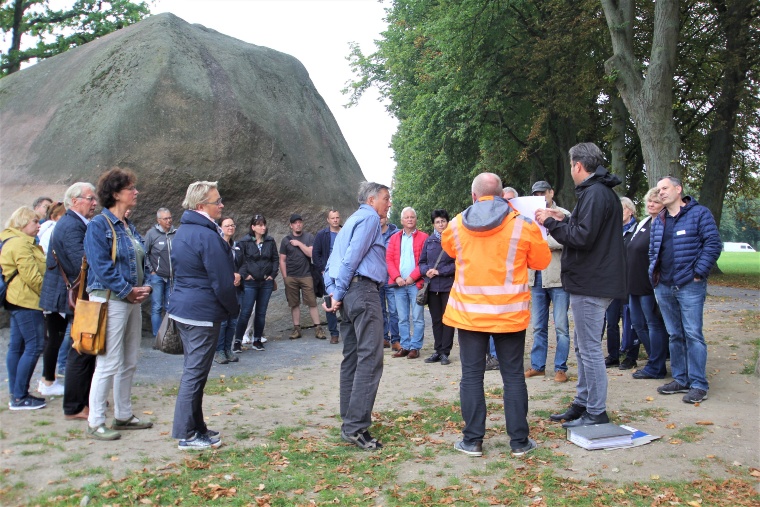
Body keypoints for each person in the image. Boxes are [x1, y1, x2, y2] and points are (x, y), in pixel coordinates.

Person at [443, 173, 551, 457]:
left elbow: (449, 249)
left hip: (469, 315)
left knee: (471, 376)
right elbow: (541, 261)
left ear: (474, 196)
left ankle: (472, 441)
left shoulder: (455, 225)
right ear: (504, 196)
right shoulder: (522, 225)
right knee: (513, 376)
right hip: (509, 314)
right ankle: (519, 442)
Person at [535, 142, 626, 428]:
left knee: (588, 349)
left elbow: (583, 238)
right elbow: (587, 228)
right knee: (582, 346)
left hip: (592, 282)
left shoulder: (596, 193)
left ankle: (596, 411)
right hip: (591, 279)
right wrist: (565, 218)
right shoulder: (598, 192)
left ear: (577, 165)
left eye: (570, 165)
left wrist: (550, 224)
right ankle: (583, 402)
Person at [83, 168, 153, 440]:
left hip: (129, 299)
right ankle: (96, 420)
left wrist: (144, 284)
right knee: (108, 361)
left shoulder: (127, 225)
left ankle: (123, 415)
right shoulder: (99, 225)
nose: (135, 192)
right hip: (110, 299)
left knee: (129, 359)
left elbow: (138, 260)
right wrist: (127, 290)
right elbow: (100, 266)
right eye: (130, 188)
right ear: (114, 194)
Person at [169, 181, 239, 450]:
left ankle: (196, 428)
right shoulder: (207, 235)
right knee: (194, 374)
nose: (221, 205)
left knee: (194, 372)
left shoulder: (185, 231)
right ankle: (186, 434)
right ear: (201, 206)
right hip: (201, 311)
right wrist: (233, 309)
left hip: (186, 309)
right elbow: (221, 281)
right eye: (217, 201)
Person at [323, 181, 391, 450]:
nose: (389, 203)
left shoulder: (349, 222)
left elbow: (330, 265)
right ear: (372, 199)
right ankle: (356, 427)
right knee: (370, 358)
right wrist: (338, 293)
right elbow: (352, 257)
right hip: (362, 291)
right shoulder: (370, 218)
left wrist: (335, 292)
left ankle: (349, 421)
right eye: (386, 198)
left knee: (351, 357)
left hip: (350, 294)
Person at [649, 175, 721, 404]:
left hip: (690, 285)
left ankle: (699, 384)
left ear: (678, 189)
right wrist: (654, 276)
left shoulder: (699, 214)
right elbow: (653, 251)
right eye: (659, 189)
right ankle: (680, 379)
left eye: (665, 188)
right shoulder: (659, 219)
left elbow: (713, 244)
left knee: (693, 334)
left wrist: (698, 272)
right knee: (675, 334)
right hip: (664, 286)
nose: (661, 193)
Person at [39, 182, 99, 420]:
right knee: (80, 349)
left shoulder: (74, 223)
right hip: (75, 296)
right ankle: (75, 406)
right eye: (90, 198)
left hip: (74, 295)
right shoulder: (71, 225)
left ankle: (82, 401)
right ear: (74, 201)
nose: (94, 203)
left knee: (82, 348)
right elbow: (80, 264)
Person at [524, 181, 571, 383]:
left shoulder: (564, 214)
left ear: (552, 192)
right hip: (536, 277)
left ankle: (560, 368)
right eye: (536, 193)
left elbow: (566, 239)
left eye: (543, 192)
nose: (541, 196)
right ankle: (538, 366)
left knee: (561, 326)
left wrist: (542, 244)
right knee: (538, 326)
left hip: (558, 277)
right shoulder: (528, 216)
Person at [1, 206, 47, 410]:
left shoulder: (12, 240)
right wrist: (48, 295)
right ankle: (19, 396)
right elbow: (32, 276)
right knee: (35, 345)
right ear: (22, 223)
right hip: (27, 300)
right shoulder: (20, 243)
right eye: (35, 222)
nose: (38, 225)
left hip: (17, 299)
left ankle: (16, 393)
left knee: (17, 346)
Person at [628, 188, 668, 380]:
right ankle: (655, 358)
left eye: (656, 202)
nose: (651, 204)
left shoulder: (663, 223)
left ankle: (657, 364)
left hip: (648, 282)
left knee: (653, 323)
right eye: (649, 201)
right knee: (637, 323)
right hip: (633, 280)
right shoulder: (644, 222)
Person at [603, 197, 639, 369]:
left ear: (630, 211)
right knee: (611, 321)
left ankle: (631, 355)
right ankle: (613, 355)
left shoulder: (637, 230)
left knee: (629, 320)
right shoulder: (612, 230)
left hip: (631, 281)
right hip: (613, 282)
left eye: (622, 209)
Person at [233, 214, 278, 353]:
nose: (263, 227)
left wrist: (272, 275)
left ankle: (257, 339)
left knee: (261, 312)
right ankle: (237, 341)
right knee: (246, 312)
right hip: (251, 283)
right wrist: (245, 275)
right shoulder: (244, 242)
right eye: (259, 225)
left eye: (264, 224)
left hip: (266, 282)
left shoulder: (270, 241)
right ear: (253, 227)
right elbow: (240, 261)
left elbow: (275, 259)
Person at [388, 207, 428, 359]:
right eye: (407, 217)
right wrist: (397, 277)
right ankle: (405, 345)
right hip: (398, 285)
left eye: (412, 217)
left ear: (416, 220)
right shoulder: (394, 238)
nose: (410, 219)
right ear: (401, 220)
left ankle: (415, 347)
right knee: (402, 317)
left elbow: (425, 261)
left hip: (415, 284)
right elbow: (389, 259)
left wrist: (413, 276)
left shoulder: (424, 237)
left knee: (418, 317)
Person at [280, 214, 325, 340]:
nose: (298, 224)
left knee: (312, 302)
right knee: (294, 304)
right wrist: (285, 277)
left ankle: (318, 328)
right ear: (291, 225)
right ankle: (296, 329)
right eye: (295, 223)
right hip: (291, 276)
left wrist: (299, 244)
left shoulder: (309, 237)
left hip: (306, 275)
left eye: (300, 222)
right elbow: (282, 260)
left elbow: (311, 253)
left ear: (302, 224)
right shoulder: (285, 240)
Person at [419, 209, 455, 366]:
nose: (441, 224)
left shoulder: (454, 239)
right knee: (436, 320)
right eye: (438, 222)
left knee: (448, 320)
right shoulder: (429, 241)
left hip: (448, 286)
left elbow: (458, 263)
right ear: (433, 224)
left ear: (448, 222)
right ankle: (438, 350)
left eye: (443, 221)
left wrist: (440, 271)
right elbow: (422, 262)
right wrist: (426, 270)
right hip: (432, 287)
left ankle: (445, 352)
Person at [144, 207, 176, 337]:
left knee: (170, 307)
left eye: (170, 217)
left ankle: (169, 336)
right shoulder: (152, 234)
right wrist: (151, 271)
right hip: (157, 277)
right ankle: (157, 336)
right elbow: (144, 253)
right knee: (156, 307)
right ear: (159, 220)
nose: (169, 221)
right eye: (165, 218)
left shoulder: (176, 233)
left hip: (172, 277)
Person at [215, 217, 243, 363]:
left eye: (232, 225)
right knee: (223, 321)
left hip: (235, 289)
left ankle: (228, 349)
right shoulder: (217, 245)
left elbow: (243, 264)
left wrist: (240, 274)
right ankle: (219, 351)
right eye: (227, 225)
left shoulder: (236, 245)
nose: (230, 228)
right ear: (220, 228)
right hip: (222, 288)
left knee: (233, 321)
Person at [313, 209, 342, 344]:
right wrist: (323, 270)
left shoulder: (345, 232)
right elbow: (315, 254)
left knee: (346, 302)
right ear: (328, 220)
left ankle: (350, 332)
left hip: (343, 272)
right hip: (328, 274)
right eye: (333, 218)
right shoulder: (322, 235)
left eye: (337, 217)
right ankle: (334, 333)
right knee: (330, 302)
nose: (335, 220)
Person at [379, 216, 400, 351]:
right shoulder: (370, 233)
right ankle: (384, 338)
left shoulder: (396, 234)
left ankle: (396, 339)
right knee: (380, 310)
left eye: (381, 217)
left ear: (386, 218)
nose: (379, 220)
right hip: (377, 277)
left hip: (392, 276)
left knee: (394, 310)